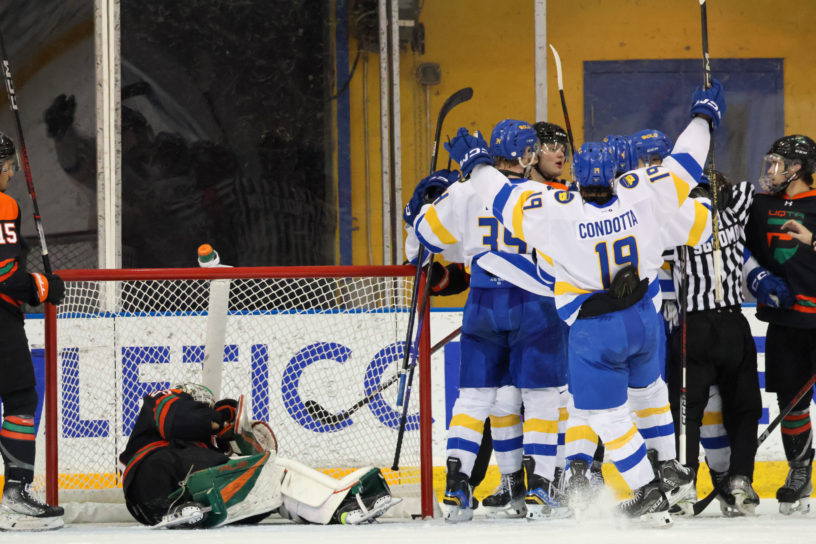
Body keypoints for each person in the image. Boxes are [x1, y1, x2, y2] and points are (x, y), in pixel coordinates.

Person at [445, 80, 725, 525]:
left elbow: (500, 196)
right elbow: (689, 165)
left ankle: (645, 487)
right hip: (644, 318)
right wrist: (704, 117)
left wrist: (477, 163)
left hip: (596, 329)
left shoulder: (557, 210)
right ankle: (668, 466)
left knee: (603, 414)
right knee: (651, 393)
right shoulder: (644, 192)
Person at [405, 120, 569, 522]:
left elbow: (421, 242)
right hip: (535, 303)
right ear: (528, 155)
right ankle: (539, 488)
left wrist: (424, 204)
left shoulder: (464, 192)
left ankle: (457, 489)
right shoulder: (545, 195)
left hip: (482, 303)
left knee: (475, 398)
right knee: (542, 396)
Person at [119, 383, 397, 527]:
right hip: (155, 471)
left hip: (160, 505)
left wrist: (234, 441)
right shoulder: (166, 399)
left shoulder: (202, 450)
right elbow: (177, 419)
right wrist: (219, 421)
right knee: (270, 470)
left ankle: (343, 513)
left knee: (266, 488)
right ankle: (338, 501)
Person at [665, 169, 763, 516]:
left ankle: (685, 484)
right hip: (735, 324)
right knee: (745, 408)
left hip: (696, 327)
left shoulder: (677, 224)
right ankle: (740, 480)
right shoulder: (734, 212)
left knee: (687, 411)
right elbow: (753, 188)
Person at [744, 134, 816, 515]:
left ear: (797, 169)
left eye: (777, 164)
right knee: (791, 401)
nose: (769, 171)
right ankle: (800, 470)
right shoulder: (759, 206)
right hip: (787, 322)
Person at [0, 133, 66, 531]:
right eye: (7, 167)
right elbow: (5, 274)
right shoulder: (3, 204)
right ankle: (14, 498)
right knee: (21, 398)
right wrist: (43, 286)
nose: (9, 175)